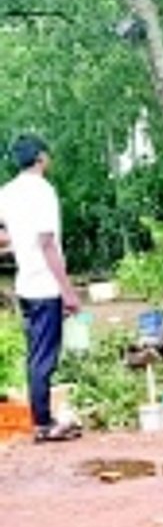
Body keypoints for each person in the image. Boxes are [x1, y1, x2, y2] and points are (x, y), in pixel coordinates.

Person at [0, 135, 82, 442]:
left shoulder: (7, 192)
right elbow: (47, 243)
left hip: (25, 286)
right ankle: (44, 424)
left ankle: (42, 419)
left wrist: (17, 246)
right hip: (46, 285)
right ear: (41, 157)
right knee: (44, 358)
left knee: (36, 354)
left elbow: (5, 235)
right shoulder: (43, 192)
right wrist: (68, 291)